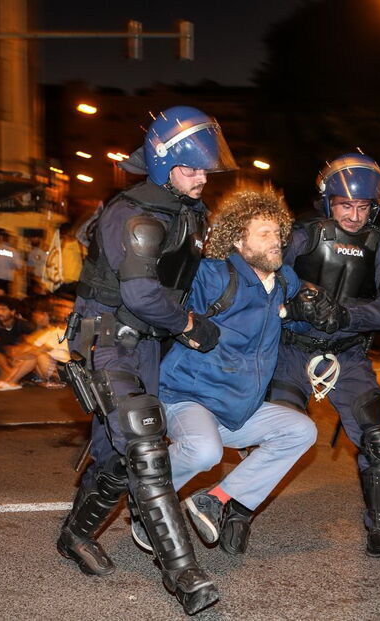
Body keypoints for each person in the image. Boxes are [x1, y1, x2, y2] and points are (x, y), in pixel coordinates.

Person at [56, 105, 236, 615]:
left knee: (118, 453)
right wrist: (188, 325)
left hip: (146, 342)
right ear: (162, 163)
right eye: (189, 167)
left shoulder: (183, 208)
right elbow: (139, 294)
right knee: (144, 444)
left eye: (204, 168)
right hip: (108, 338)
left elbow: (181, 281)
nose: (200, 177)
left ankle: (74, 534)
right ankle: (185, 576)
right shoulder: (138, 214)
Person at [267, 153, 380, 565]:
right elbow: (265, 270)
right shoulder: (302, 230)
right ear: (327, 200)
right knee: (273, 432)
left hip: (349, 354)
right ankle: (234, 510)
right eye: (345, 205)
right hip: (292, 350)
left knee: (379, 436)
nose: (354, 216)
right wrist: (298, 294)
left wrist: (347, 315)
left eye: (362, 207)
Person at [157, 189, 315, 557]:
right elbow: (166, 304)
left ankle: (216, 498)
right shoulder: (214, 275)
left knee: (301, 430)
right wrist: (187, 324)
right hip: (187, 398)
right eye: (264, 233)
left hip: (238, 406)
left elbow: (301, 324)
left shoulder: (285, 282)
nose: (275, 241)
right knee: (204, 450)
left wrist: (309, 314)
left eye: (278, 233)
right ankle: (147, 501)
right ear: (239, 240)